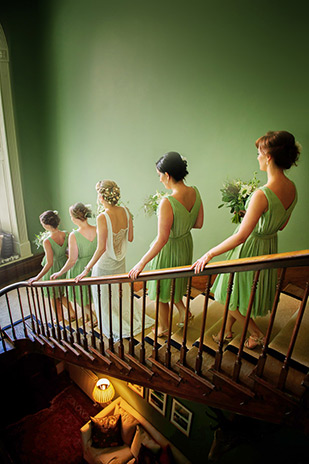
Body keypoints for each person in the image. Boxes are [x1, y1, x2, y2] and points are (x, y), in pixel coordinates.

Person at [192, 131, 300, 349]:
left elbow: (241, 236)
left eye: (259, 153)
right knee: (240, 292)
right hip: (269, 246)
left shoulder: (262, 194)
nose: (257, 157)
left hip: (250, 249)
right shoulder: (292, 189)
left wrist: (210, 253)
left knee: (225, 293)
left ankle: (257, 334)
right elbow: (281, 224)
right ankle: (226, 330)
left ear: (269, 157)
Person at [129, 151, 204, 337]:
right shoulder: (195, 191)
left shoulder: (167, 202)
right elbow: (199, 223)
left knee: (162, 288)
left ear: (168, 175)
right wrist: (182, 226)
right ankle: (184, 312)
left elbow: (162, 239)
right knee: (176, 280)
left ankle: (162, 328)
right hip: (185, 245)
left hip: (168, 248)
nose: (160, 180)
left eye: (159, 175)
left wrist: (141, 263)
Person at [75, 180, 154, 340]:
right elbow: (130, 238)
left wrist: (86, 269)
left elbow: (101, 248)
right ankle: (126, 317)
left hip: (104, 266)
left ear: (102, 197)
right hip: (119, 262)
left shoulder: (103, 217)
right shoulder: (125, 210)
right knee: (120, 293)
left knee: (104, 297)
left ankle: (113, 323)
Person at [51, 203, 97, 322]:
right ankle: (90, 316)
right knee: (94, 294)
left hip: (80, 268)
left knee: (82, 298)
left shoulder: (74, 235)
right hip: (96, 266)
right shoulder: (98, 229)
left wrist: (60, 272)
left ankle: (92, 317)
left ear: (74, 218)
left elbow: (72, 260)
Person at [28, 210, 75, 322]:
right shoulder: (66, 234)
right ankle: (72, 313)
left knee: (53, 296)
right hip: (63, 268)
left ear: (47, 225)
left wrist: (37, 277)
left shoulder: (47, 241)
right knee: (62, 293)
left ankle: (59, 317)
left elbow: (49, 263)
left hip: (53, 270)